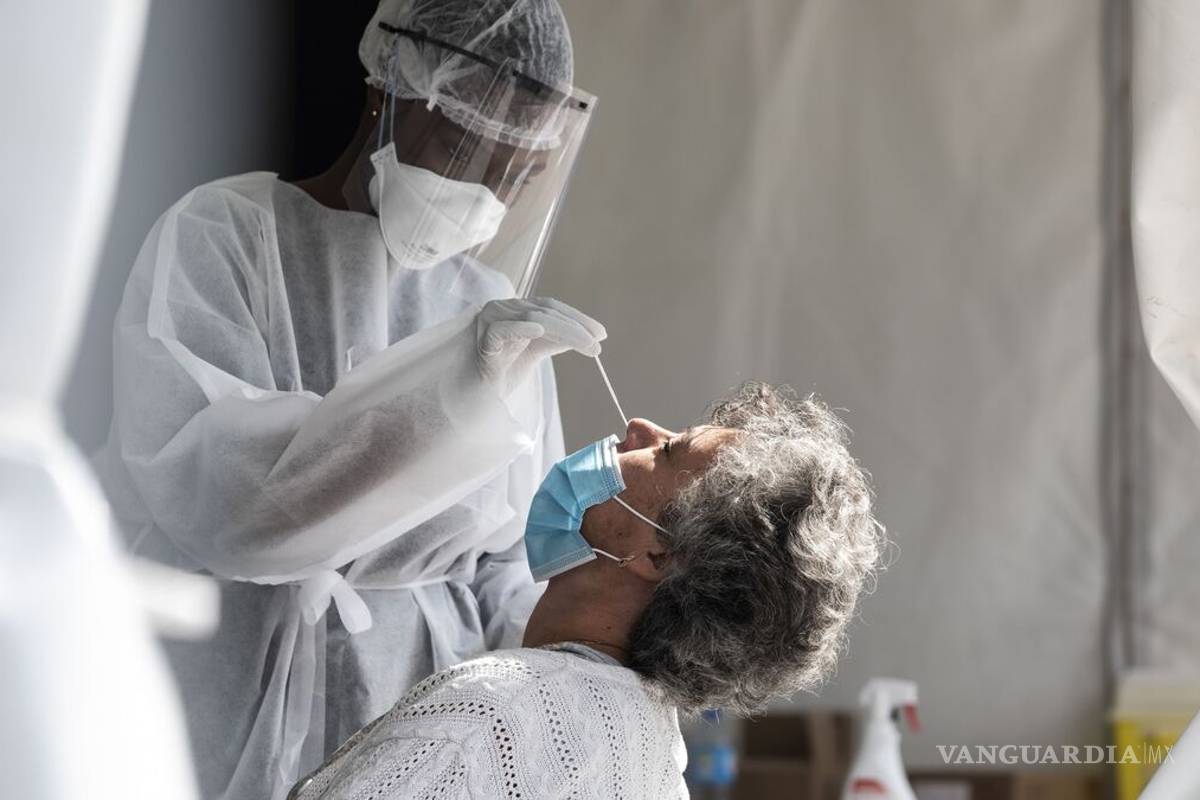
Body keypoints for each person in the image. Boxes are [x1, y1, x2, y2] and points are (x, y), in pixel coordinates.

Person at [91, 1, 598, 797]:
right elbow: (231, 503)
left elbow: (510, 566)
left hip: (412, 709)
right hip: (220, 689)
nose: (488, 197)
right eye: (469, 150)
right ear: (389, 86)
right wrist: (446, 395)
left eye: (518, 174)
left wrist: (582, 689)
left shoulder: (493, 313)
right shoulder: (224, 236)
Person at [289, 382, 885, 799]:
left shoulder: (493, 716)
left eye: (667, 451)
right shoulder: (652, 752)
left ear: (657, 554)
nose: (637, 430)